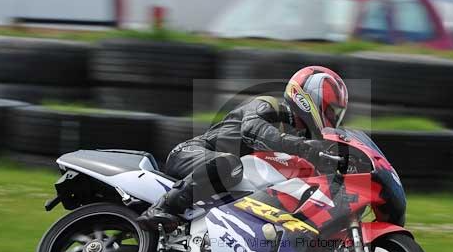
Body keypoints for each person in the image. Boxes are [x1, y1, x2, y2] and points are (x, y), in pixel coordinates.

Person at [138, 65, 349, 229]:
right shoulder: (270, 106)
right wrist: (304, 147)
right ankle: (163, 206)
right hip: (193, 153)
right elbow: (252, 130)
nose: (332, 118)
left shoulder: (301, 139)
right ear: (310, 99)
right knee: (229, 163)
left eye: (336, 115)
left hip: (230, 182)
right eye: (331, 111)